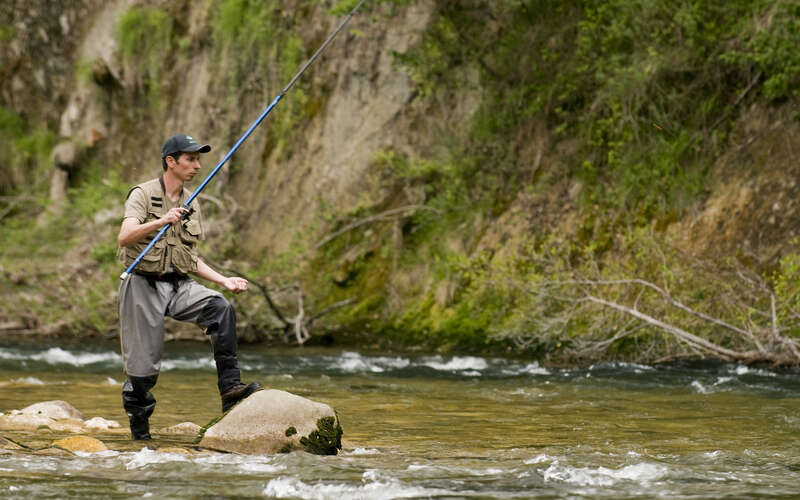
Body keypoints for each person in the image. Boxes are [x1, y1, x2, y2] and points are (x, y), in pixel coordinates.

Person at [116, 133, 261, 440]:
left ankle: (230, 389)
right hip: (142, 285)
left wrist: (223, 280)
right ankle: (140, 437)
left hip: (179, 284)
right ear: (171, 161)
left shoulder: (192, 202)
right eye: (191, 159)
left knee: (220, 308)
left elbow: (190, 259)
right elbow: (125, 236)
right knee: (142, 372)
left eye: (198, 160)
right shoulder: (142, 194)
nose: (197, 165)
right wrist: (160, 221)